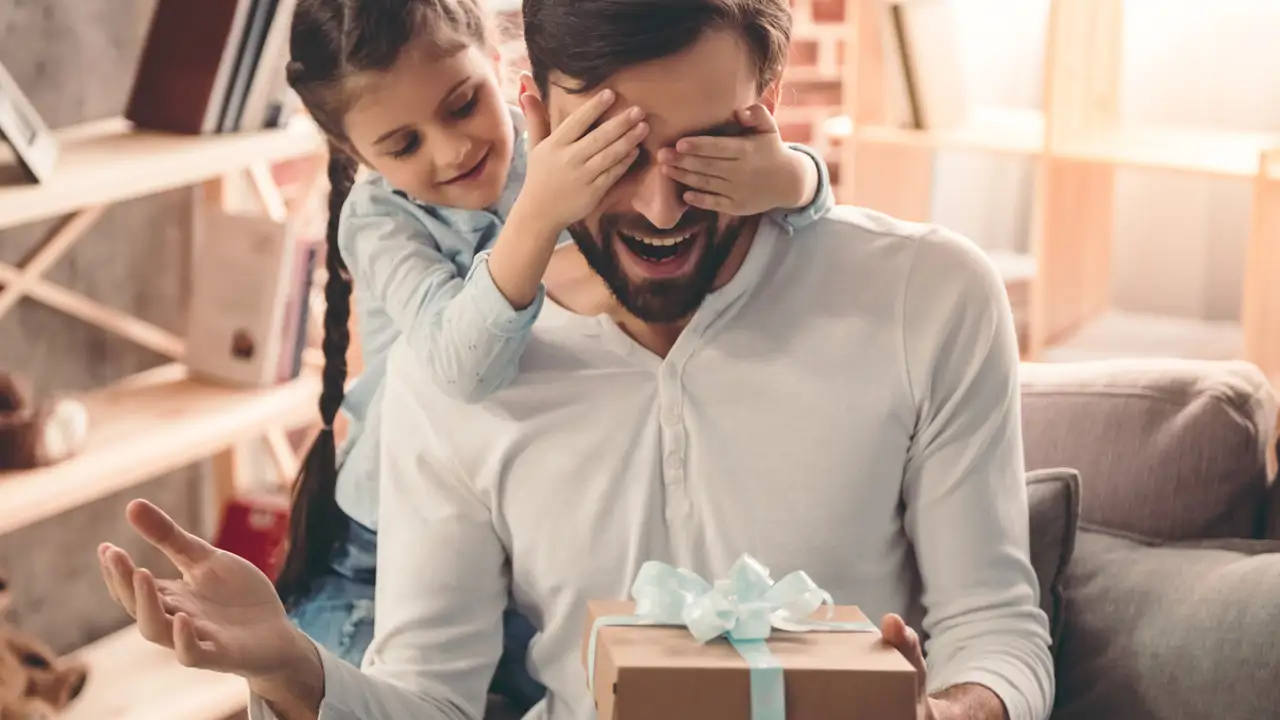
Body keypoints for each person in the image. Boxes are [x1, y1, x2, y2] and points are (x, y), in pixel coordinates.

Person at [96, 0, 1056, 719]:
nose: (660, 209)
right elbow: (431, 702)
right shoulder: (461, 364)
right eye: (614, 150)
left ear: (766, 108)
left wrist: (959, 711)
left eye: (704, 151)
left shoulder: (928, 296)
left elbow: (997, 628)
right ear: (541, 122)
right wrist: (287, 668)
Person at [269, 0, 836, 708]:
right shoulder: (381, 221)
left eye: (462, 104)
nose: (450, 150)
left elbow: (808, 218)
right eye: (402, 145)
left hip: (516, 528)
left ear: (499, 67)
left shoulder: (552, 141)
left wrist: (790, 177)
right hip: (387, 548)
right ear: (358, 154)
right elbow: (462, 369)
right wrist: (541, 212)